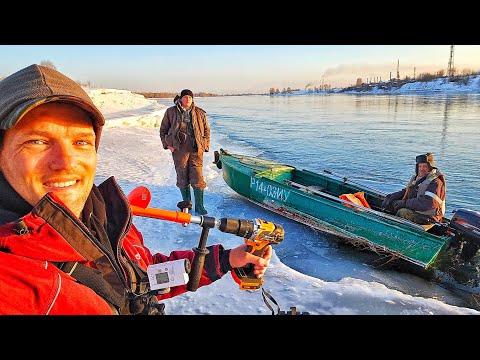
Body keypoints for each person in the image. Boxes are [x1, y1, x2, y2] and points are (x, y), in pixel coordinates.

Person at [0, 64, 271, 315]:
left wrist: (224, 260)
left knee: (196, 180)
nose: (66, 162)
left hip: (195, 152)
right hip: (180, 152)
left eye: (81, 141)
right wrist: (169, 143)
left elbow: (143, 279)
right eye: (36, 141)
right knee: (182, 180)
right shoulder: (11, 282)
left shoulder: (105, 217)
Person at [159, 89, 210, 215]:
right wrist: (167, 145)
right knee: (182, 175)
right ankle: (187, 204)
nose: (188, 99)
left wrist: (205, 146)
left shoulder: (199, 112)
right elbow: (163, 130)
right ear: (181, 98)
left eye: (190, 97)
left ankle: (200, 206)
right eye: (185, 97)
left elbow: (206, 130)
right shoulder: (171, 112)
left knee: (198, 176)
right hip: (179, 149)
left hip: (196, 149)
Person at [381, 153, 446, 227]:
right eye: (420, 166)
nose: (421, 169)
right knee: (393, 204)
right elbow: (407, 191)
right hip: (417, 211)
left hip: (429, 218)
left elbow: (429, 203)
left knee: (402, 213)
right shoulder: (419, 179)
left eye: (424, 166)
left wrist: (405, 203)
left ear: (430, 167)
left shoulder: (435, 182)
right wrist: (391, 197)